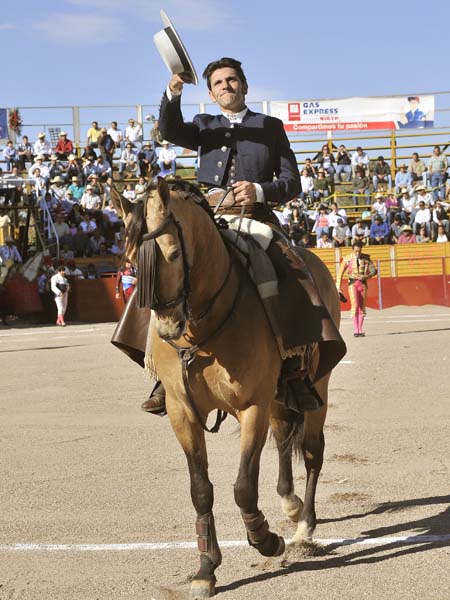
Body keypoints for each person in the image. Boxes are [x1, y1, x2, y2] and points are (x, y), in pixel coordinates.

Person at [113, 56, 345, 415]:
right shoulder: (204, 125)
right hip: (210, 220)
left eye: (232, 80)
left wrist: (258, 190)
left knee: (292, 270)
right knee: (160, 266)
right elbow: (169, 130)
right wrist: (174, 90)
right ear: (209, 92)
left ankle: (295, 367)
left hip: (257, 217)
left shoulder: (270, 126)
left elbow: (292, 183)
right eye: (219, 83)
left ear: (245, 85)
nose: (226, 86)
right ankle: (162, 371)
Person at [336, 241, 377, 337]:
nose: (357, 253)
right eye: (356, 251)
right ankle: (356, 330)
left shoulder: (366, 258)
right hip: (353, 284)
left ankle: (360, 330)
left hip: (363, 284)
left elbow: (374, 271)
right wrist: (338, 287)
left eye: (359, 251)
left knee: (362, 307)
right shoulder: (347, 259)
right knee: (355, 306)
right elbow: (340, 273)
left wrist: (366, 276)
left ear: (361, 249)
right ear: (352, 250)